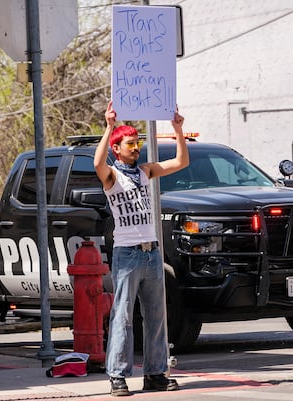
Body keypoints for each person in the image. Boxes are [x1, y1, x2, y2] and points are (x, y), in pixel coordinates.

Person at [94, 101, 189, 396]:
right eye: (130, 144)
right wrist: (108, 126)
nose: (136, 148)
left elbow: (180, 162)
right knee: (123, 316)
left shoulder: (146, 171)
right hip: (127, 252)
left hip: (151, 252)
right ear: (117, 148)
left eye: (137, 143)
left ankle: (155, 373)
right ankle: (118, 376)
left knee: (156, 316)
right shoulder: (112, 175)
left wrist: (178, 130)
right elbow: (97, 164)